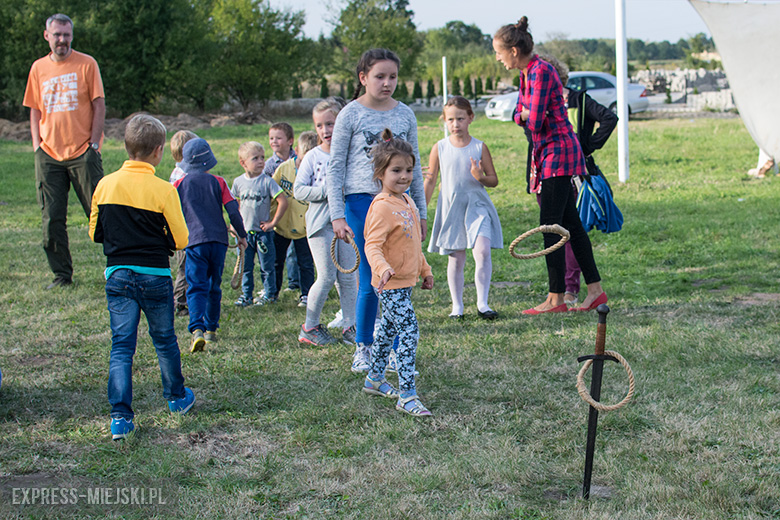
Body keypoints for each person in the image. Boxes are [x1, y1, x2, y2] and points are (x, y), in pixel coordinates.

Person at [88, 114, 195, 441]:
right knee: (163, 340)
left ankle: (120, 417)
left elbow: (95, 232)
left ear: (126, 146)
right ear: (159, 151)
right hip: (154, 276)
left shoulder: (104, 185)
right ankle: (176, 397)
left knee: (122, 345)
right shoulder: (163, 190)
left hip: (118, 274)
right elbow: (180, 240)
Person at [493, 17, 606, 314]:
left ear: (514, 50)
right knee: (572, 226)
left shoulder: (541, 72)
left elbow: (535, 120)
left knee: (550, 228)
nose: (497, 57)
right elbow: (520, 114)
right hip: (547, 153)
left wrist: (525, 113)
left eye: (498, 52)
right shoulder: (526, 72)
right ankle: (594, 290)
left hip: (559, 153)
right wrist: (523, 113)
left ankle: (556, 298)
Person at [326, 48, 428, 373]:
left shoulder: (405, 114)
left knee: (398, 277)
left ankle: (396, 349)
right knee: (371, 280)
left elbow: (417, 168)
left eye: (393, 77)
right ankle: (364, 347)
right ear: (363, 78)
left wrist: (420, 212)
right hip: (361, 204)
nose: (387, 83)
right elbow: (335, 167)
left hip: (400, 206)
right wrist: (337, 214)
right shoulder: (350, 115)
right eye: (379, 76)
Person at [523, 56, 617, 307]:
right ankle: (589, 290)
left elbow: (609, 118)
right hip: (543, 170)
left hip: (569, 170)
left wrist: (586, 147)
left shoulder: (578, 100)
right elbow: (526, 125)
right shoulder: (535, 101)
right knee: (570, 225)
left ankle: (566, 291)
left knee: (562, 227)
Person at [23, 13, 105, 289]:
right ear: (47, 36)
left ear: (72, 35)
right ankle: (62, 275)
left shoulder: (87, 63)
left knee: (100, 213)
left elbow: (99, 105)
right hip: (48, 154)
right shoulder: (38, 68)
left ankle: (118, 267)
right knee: (52, 217)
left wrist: (93, 145)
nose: (62, 40)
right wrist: (37, 146)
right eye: (57, 34)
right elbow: (34, 109)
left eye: (66, 34)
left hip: (83, 152)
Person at [362, 129, 433, 416]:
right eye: (396, 170)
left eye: (409, 170)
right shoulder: (381, 208)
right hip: (388, 284)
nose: (404, 176)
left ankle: (374, 379)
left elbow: (413, 242)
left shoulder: (407, 202)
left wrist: (424, 270)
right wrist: (383, 268)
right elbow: (372, 245)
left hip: (405, 283)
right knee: (409, 331)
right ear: (380, 172)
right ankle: (407, 395)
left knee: (387, 331)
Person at [425, 96, 503, 321]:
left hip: (477, 206)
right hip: (452, 208)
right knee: (456, 258)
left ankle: (483, 302)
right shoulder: (439, 147)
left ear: (470, 118)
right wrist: (421, 209)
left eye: (460, 118)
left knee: (482, 251)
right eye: (450, 120)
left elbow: (493, 179)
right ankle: (457, 306)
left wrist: (480, 176)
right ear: (444, 121)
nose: (455, 124)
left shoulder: (479, 147)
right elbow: (430, 180)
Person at [294, 97, 358, 346]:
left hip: (348, 222)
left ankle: (350, 326)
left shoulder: (350, 154)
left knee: (348, 276)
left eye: (330, 124)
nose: (325, 131)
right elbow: (299, 191)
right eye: (320, 126)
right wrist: (327, 191)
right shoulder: (313, 156)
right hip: (321, 226)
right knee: (327, 276)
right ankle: (309, 326)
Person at [175, 138, 248, 351]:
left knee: (196, 285)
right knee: (214, 286)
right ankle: (211, 330)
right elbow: (233, 211)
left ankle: (196, 328)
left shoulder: (179, 185)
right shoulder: (219, 182)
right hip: (218, 241)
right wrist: (241, 235)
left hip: (194, 242)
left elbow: (172, 213)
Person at [231, 141, 288, 308]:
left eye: (263, 157)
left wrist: (273, 222)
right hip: (245, 234)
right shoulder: (238, 182)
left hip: (263, 233)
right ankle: (246, 295)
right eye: (255, 158)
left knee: (267, 266)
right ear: (243, 163)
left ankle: (270, 294)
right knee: (246, 266)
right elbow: (236, 205)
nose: (261, 161)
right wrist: (235, 226)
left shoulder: (267, 182)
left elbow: (282, 201)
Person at [270, 132, 316, 308]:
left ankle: (306, 294)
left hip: (304, 227)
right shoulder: (283, 168)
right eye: (305, 157)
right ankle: (272, 292)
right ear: (296, 151)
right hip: (281, 224)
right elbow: (273, 191)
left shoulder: (316, 173)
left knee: (305, 262)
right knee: (277, 260)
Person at [264, 122, 301, 294]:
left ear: (290, 141)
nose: (274, 142)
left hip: (298, 212)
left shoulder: (299, 161)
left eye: (279, 138)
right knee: (278, 253)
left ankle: (294, 282)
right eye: (271, 138)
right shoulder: (269, 165)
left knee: (295, 252)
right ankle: (273, 287)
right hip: (279, 214)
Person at [169, 130, 199, 316]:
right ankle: (181, 301)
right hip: (185, 229)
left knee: (189, 264)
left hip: (186, 227)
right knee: (185, 266)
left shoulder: (179, 171)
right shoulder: (183, 175)